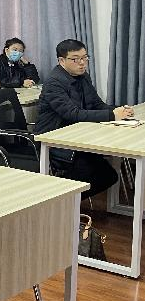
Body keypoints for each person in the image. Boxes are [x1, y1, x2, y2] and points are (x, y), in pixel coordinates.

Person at [35, 39, 128, 198]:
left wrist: (120, 110)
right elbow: (72, 113)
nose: (82, 63)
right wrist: (112, 115)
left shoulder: (83, 76)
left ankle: (67, 203)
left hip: (80, 136)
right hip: (55, 140)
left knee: (109, 176)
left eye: (85, 58)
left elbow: (97, 104)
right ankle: (60, 203)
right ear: (61, 60)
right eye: (75, 59)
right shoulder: (54, 82)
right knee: (98, 177)